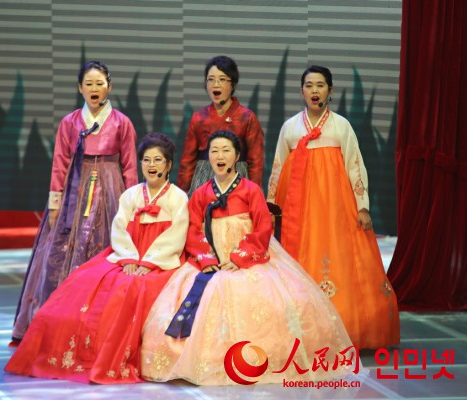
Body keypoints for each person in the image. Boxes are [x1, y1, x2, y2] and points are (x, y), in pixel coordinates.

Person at [141, 130, 362, 385]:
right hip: (210, 261)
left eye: (226, 151)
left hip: (247, 258)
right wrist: (208, 259)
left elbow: (262, 228)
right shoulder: (201, 193)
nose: (219, 156)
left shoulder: (251, 190)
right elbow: (192, 230)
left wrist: (239, 258)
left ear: (237, 156)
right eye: (214, 151)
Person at [5, 133, 189, 384]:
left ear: (169, 165)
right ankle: (83, 353)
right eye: (146, 160)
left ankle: (114, 356)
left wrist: (148, 262)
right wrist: (130, 259)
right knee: (85, 281)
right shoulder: (131, 195)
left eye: (158, 160)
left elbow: (175, 235)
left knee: (133, 288)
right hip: (127, 256)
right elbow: (119, 230)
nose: (151, 165)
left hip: (160, 261)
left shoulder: (178, 198)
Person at [266, 65, 400, 349]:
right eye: (309, 85)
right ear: (301, 91)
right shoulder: (290, 127)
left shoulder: (341, 126)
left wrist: (362, 206)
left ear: (330, 90)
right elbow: (278, 166)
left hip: (336, 207)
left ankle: (347, 326)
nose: (314, 91)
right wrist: (273, 206)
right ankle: (302, 327)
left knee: (341, 257)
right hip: (300, 209)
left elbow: (355, 165)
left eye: (320, 85)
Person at [11, 61, 138, 343]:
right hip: (75, 191)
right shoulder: (69, 122)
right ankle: (58, 319)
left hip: (110, 189)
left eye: (100, 83)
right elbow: (59, 163)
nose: (94, 88)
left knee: (107, 248)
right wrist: (55, 203)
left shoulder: (122, 122)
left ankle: (102, 322)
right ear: (80, 88)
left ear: (109, 87)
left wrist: (132, 205)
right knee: (60, 252)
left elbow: (130, 166)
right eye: (89, 84)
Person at [177, 55, 264, 196]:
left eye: (222, 79)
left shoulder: (247, 117)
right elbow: (187, 161)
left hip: (237, 179)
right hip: (203, 179)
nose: (215, 85)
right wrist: (182, 195)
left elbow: (256, 161)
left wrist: (254, 194)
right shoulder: (198, 118)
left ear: (233, 84)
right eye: (211, 79)